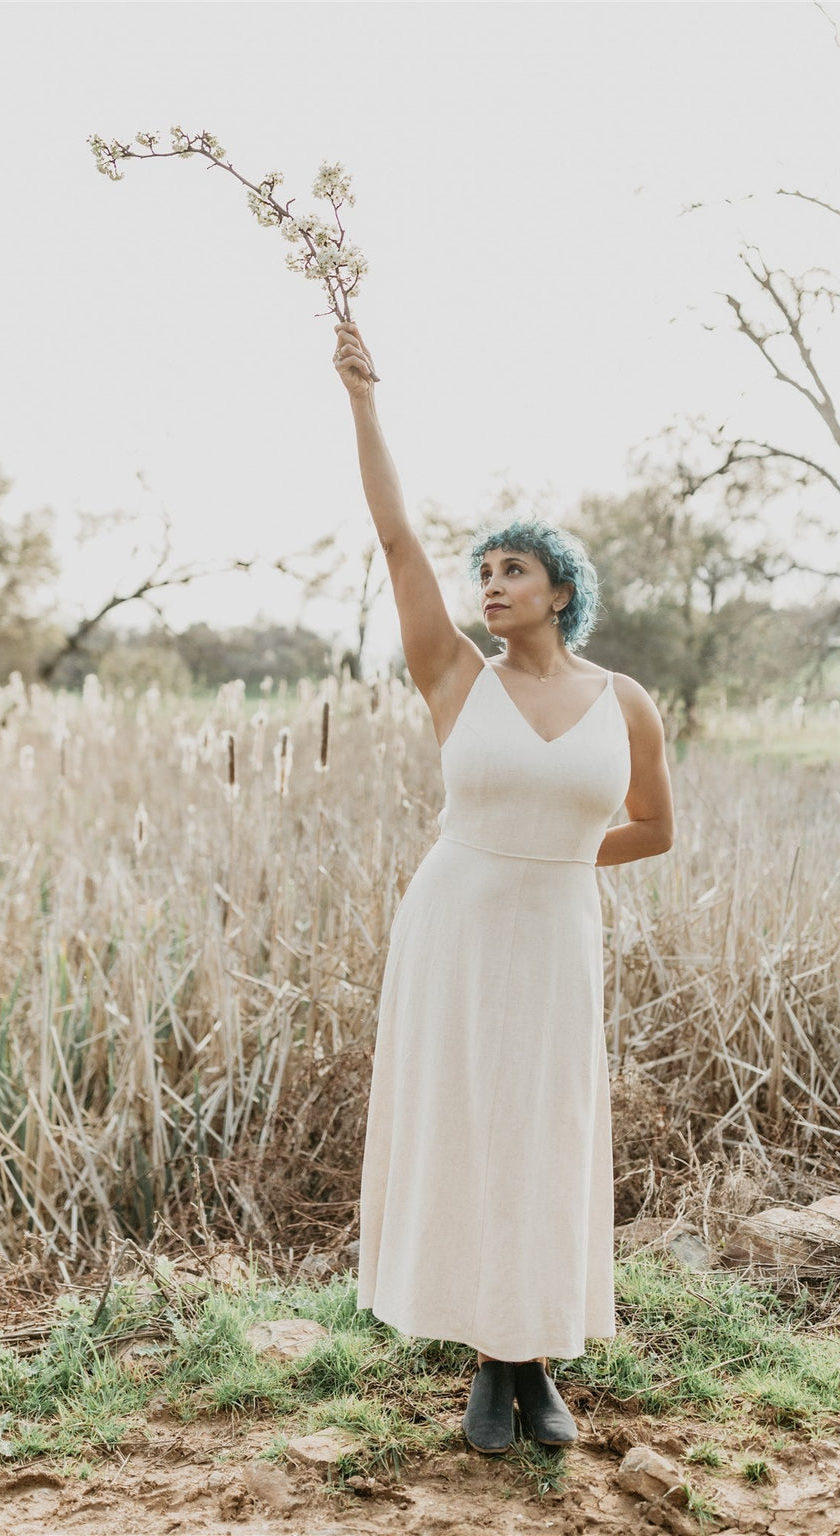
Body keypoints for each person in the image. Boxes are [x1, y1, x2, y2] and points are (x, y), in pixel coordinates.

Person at [332, 320, 675, 1456]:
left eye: (512, 569)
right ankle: (500, 1366)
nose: (490, 584)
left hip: (559, 932)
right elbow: (395, 542)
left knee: (544, 1133)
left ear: (562, 588)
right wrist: (363, 400)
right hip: (457, 924)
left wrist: (566, 863)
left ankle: (526, 1353)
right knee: (471, 1131)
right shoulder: (452, 677)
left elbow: (653, 829)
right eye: (484, 570)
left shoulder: (626, 702)